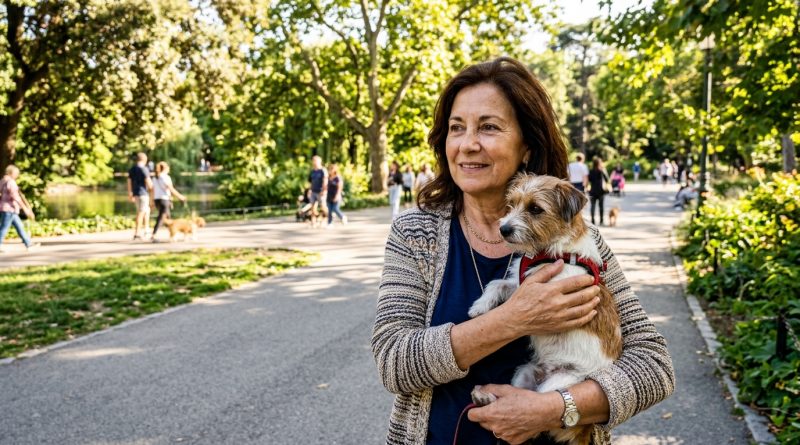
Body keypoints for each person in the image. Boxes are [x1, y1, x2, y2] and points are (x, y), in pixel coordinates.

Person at [372, 57, 674, 445]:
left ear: (526, 146)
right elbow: (393, 362)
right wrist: (512, 319)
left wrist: (554, 408)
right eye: (456, 128)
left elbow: (654, 366)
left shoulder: (579, 244)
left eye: (489, 127)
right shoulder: (416, 234)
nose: (468, 144)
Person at [0, 165, 40, 252]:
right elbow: (16, 197)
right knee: (4, 228)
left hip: (6, 208)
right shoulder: (11, 182)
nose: (17, 175)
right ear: (11, 173)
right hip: (9, 208)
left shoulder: (2, 181)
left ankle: (28, 244)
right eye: (16, 173)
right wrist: (25, 208)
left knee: (19, 226)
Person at [151, 162, 187, 242]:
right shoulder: (165, 177)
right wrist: (180, 197)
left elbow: (152, 190)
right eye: (168, 167)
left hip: (157, 199)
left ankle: (173, 235)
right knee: (162, 217)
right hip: (164, 199)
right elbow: (171, 189)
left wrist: (152, 201)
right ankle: (154, 234)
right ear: (165, 168)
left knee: (168, 219)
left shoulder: (155, 178)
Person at [127, 152, 153, 240]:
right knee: (141, 212)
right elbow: (149, 183)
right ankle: (137, 233)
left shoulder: (132, 169)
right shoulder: (144, 169)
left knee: (146, 211)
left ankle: (146, 230)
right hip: (143, 193)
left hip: (136, 193)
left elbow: (129, 182)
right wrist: (152, 191)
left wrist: (130, 193)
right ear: (144, 159)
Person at [588, 158, 610, 225]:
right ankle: (601, 221)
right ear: (599, 163)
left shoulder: (591, 171)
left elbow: (589, 180)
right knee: (601, 206)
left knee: (592, 206)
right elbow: (607, 179)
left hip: (593, 191)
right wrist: (604, 171)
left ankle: (592, 221)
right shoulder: (602, 170)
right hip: (601, 191)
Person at [307, 155, 328, 222]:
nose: (314, 162)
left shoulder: (323, 170)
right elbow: (311, 182)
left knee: (323, 207)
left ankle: (327, 218)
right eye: (313, 161)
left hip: (321, 191)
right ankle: (313, 222)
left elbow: (325, 181)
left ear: (320, 161)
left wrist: (324, 190)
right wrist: (309, 190)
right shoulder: (312, 171)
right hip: (313, 191)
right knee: (312, 207)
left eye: (316, 161)